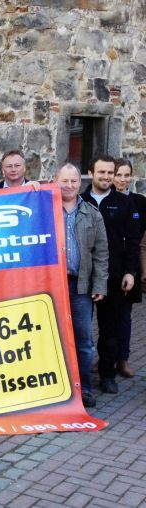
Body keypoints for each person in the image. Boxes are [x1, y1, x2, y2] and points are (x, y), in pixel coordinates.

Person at [80, 155, 140, 394]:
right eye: (101, 172)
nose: (106, 177)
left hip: (114, 276)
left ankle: (107, 375)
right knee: (81, 330)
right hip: (83, 277)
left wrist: (130, 272)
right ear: (90, 173)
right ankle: (80, 378)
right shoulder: (80, 200)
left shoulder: (124, 203)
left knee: (110, 331)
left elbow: (133, 241)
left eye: (109, 173)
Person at [56, 163, 108, 408]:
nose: (69, 185)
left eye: (73, 181)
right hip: (52, 286)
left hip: (81, 287)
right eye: (64, 181)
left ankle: (84, 389)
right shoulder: (44, 209)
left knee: (84, 341)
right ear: (56, 181)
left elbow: (101, 253)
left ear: (80, 182)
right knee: (53, 337)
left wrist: (100, 285)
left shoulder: (92, 213)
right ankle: (57, 389)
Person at [113, 158, 146, 378]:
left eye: (127, 175)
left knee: (125, 315)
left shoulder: (140, 202)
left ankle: (123, 359)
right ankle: (105, 357)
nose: (122, 180)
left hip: (130, 267)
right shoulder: (104, 200)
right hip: (108, 266)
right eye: (119, 175)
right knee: (105, 317)